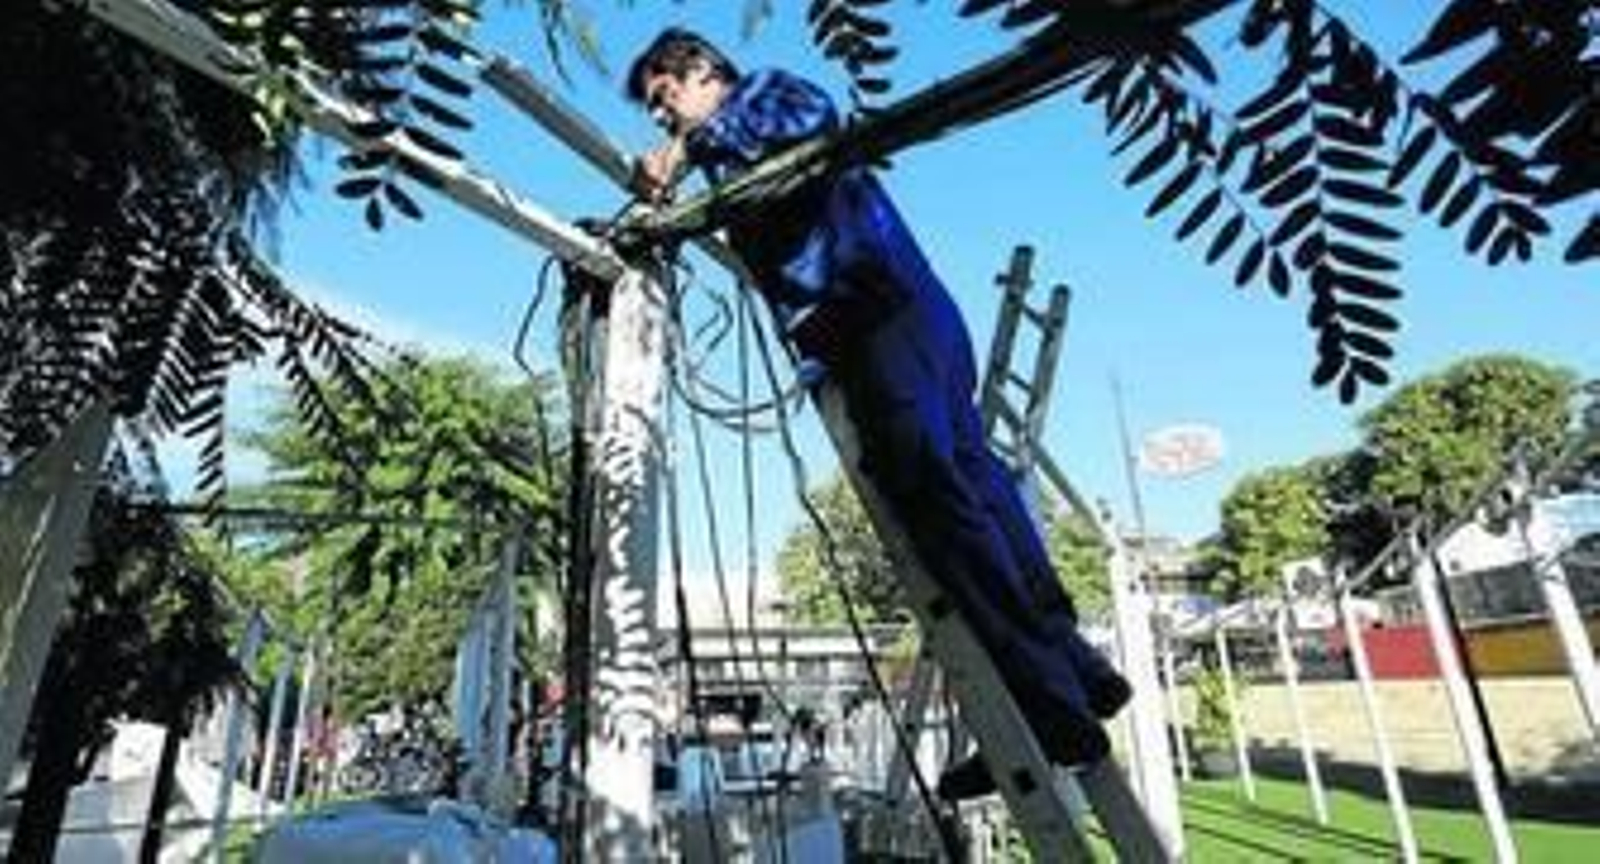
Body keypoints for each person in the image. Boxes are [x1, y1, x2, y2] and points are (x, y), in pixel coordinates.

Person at [626, 28, 1130, 801]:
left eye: (666, 99)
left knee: (943, 513)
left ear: (700, 72)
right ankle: (1077, 671)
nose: (664, 119)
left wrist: (688, 152)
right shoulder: (731, 142)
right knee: (978, 496)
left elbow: (806, 123)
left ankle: (1047, 711)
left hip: (877, 316)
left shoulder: (768, 93)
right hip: (895, 313)